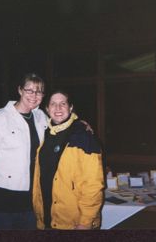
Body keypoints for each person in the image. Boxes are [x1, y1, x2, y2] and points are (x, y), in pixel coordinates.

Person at [0, 73, 47, 230]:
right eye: (29, 90)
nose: (34, 95)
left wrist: (79, 124)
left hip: (32, 203)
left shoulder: (41, 117)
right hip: (3, 206)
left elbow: (62, 124)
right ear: (20, 90)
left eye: (39, 91)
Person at [32, 90, 104, 230]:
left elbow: (93, 185)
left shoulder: (84, 137)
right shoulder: (44, 134)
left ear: (70, 108)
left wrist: (85, 222)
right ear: (47, 109)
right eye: (53, 104)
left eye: (63, 103)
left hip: (74, 223)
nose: (58, 108)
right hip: (45, 220)